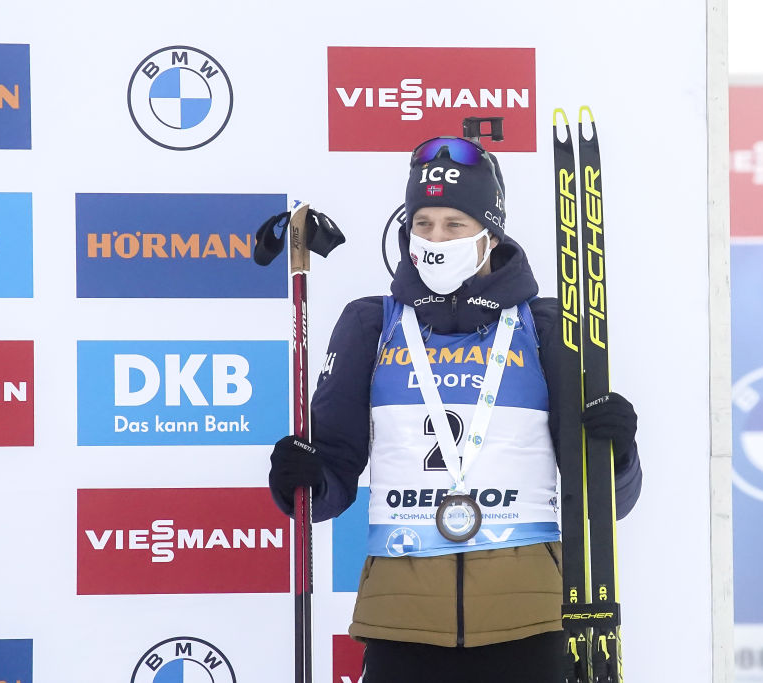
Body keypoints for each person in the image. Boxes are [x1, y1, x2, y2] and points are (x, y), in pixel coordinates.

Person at [267, 135, 643, 682]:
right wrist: (301, 476)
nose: (436, 239)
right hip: (401, 624)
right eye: (424, 224)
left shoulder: (546, 327)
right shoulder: (370, 324)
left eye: (454, 225)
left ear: (489, 234)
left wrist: (618, 453)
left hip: (529, 623)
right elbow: (331, 480)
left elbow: (605, 506)